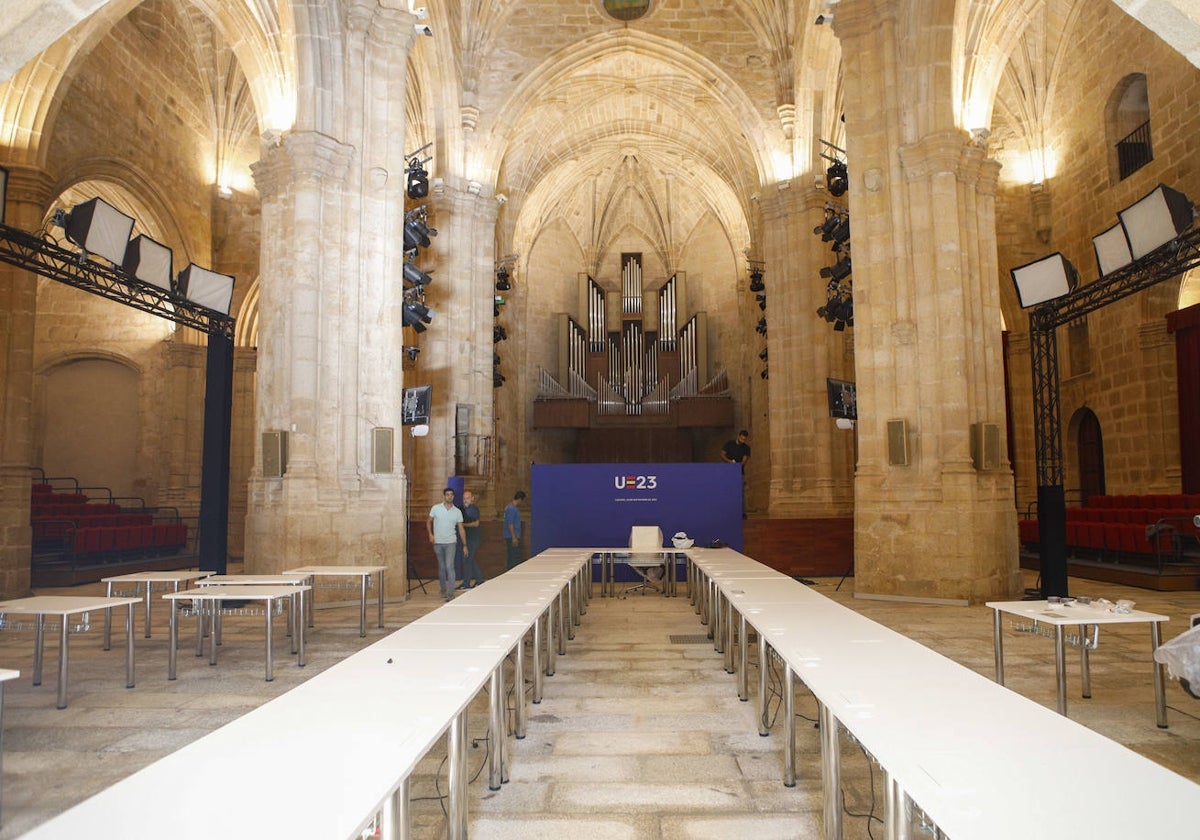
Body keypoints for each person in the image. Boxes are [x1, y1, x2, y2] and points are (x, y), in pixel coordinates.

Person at [428, 487, 467, 601]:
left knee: (449, 566)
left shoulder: (457, 512)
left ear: (453, 497)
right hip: (438, 542)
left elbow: (461, 529)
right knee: (441, 567)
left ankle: (451, 593)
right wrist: (430, 534)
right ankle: (443, 589)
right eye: (447, 494)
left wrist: (465, 545)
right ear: (444, 496)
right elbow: (428, 521)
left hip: (451, 543)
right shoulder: (436, 508)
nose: (449, 496)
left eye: (451, 494)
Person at [456, 489, 486, 589]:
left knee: (467, 560)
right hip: (466, 539)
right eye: (464, 498)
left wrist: (462, 524)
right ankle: (480, 580)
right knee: (470, 560)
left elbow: (476, 523)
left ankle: (466, 584)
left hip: (473, 539)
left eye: (468, 498)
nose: (465, 500)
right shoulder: (462, 509)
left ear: (472, 499)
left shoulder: (473, 509)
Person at [721, 430, 751, 518]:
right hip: (728, 472)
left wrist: (737, 465)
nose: (743, 441)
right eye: (741, 439)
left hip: (739, 473)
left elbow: (744, 461)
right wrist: (729, 462)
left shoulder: (746, 448)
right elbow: (722, 454)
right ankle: (728, 512)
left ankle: (742, 513)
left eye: (744, 440)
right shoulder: (729, 444)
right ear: (738, 436)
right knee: (727, 492)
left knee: (741, 493)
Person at [503, 490, 526, 570]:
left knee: (512, 556)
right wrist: (514, 537)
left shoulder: (509, 507)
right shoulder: (512, 509)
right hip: (512, 536)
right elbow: (510, 523)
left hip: (511, 536)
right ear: (520, 499)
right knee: (514, 558)